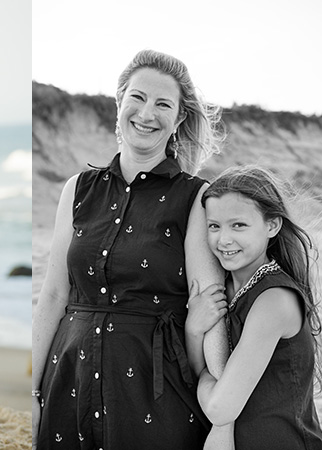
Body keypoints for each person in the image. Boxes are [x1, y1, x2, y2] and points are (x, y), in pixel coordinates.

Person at [31, 49, 228, 449]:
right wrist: (30, 389)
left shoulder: (195, 197)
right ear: (119, 104)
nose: (146, 113)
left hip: (154, 389)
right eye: (137, 98)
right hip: (68, 376)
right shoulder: (77, 189)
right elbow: (53, 294)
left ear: (178, 120)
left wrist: (222, 403)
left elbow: (208, 304)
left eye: (163, 104)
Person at [188, 165, 322, 449]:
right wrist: (193, 330)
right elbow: (210, 383)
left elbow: (219, 408)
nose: (223, 239)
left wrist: (206, 378)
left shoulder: (274, 300)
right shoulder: (223, 288)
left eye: (238, 225)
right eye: (214, 226)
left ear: (272, 225)